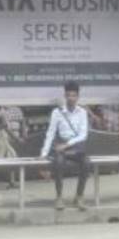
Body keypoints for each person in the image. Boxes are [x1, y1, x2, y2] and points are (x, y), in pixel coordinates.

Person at [40, 81, 90, 210]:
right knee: (59, 162)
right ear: (65, 96)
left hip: (75, 148)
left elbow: (82, 135)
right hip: (61, 148)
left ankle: (79, 196)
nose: (71, 98)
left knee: (86, 163)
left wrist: (67, 145)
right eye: (68, 95)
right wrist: (43, 154)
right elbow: (50, 134)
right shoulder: (57, 112)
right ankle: (59, 197)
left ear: (78, 97)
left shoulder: (82, 112)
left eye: (74, 95)